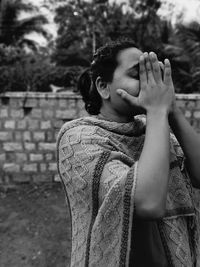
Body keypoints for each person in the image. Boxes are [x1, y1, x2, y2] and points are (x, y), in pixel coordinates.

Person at [57, 39, 200, 267]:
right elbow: (148, 203)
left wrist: (172, 111)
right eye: (138, 75)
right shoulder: (78, 139)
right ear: (104, 86)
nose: (150, 84)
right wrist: (157, 111)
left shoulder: (152, 128)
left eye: (152, 75)